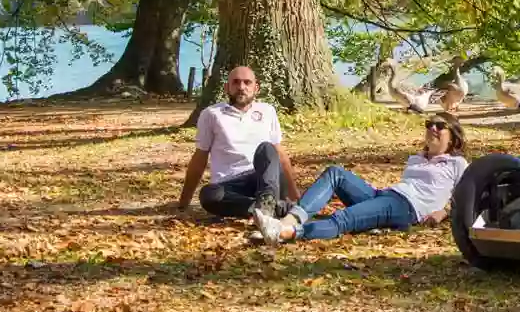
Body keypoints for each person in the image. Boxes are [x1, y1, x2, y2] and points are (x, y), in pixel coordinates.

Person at [252, 112, 468, 244]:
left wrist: (444, 212)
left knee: (344, 218)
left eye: (440, 126)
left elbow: (469, 197)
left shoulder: (457, 164)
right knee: (335, 172)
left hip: (407, 207)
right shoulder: (416, 158)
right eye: (429, 124)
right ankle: (289, 219)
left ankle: (284, 232)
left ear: (452, 137)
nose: (432, 128)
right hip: (387, 196)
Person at [176, 66, 302, 219]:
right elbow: (200, 157)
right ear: (226, 87)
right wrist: (184, 202)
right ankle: (266, 209)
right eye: (236, 82)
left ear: (256, 88)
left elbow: (280, 155)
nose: (241, 87)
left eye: (247, 82)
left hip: (265, 180)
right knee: (209, 194)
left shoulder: (267, 111)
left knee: (267, 149)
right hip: (230, 185)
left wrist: (295, 197)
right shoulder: (211, 114)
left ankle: (267, 202)